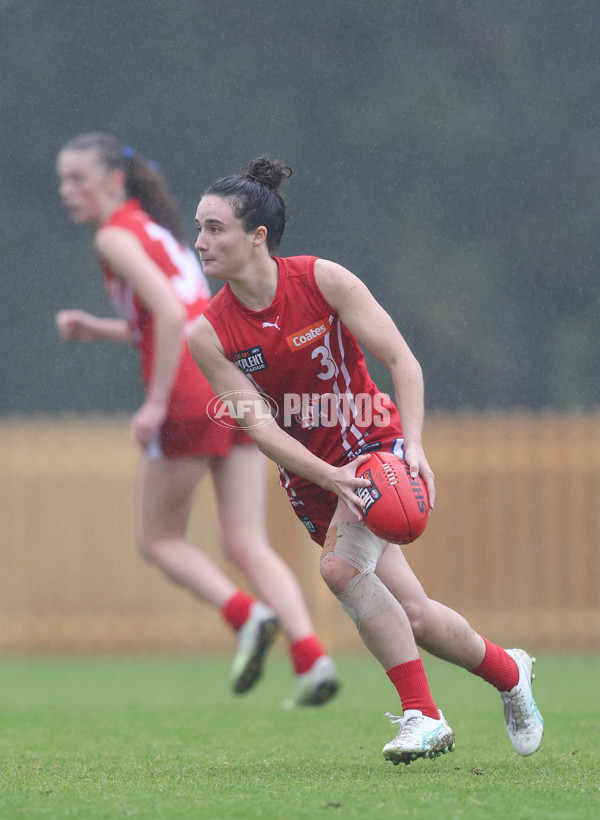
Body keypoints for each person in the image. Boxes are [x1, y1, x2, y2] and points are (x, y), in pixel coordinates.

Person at [187, 155, 544, 766]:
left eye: (216, 228)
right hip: (314, 475)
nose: (200, 242)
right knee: (416, 616)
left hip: (371, 445)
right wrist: (326, 478)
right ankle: (511, 672)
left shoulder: (323, 280)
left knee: (339, 572)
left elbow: (405, 363)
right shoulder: (209, 333)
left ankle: (423, 718)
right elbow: (261, 428)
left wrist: (415, 448)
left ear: (257, 237)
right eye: (199, 227)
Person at [54, 133, 340, 708]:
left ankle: (246, 616)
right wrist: (101, 328)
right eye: (62, 180)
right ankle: (311, 657)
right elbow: (178, 311)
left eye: (77, 179)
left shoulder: (115, 235)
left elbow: (165, 313)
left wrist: (157, 402)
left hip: (187, 386)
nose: (67, 192)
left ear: (113, 182)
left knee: (158, 539)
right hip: (229, 379)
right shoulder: (155, 228)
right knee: (245, 541)